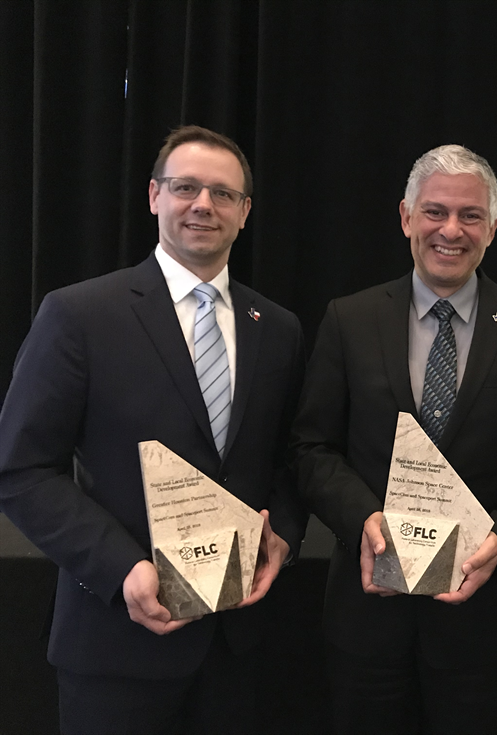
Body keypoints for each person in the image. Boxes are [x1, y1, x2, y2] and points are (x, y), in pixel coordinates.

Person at [0, 125, 307, 735]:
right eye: (185, 187)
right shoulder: (80, 314)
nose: (202, 204)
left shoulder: (278, 327)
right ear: (153, 196)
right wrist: (122, 568)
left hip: (234, 646)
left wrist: (284, 536)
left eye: (223, 194)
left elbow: (289, 462)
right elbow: (21, 468)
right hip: (116, 641)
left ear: (244, 213)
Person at [290, 144, 497, 735]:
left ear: (493, 228)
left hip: (482, 622)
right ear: (405, 218)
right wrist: (361, 518)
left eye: (470, 215)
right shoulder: (350, 319)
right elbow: (311, 447)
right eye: (435, 212)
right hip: (368, 616)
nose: (451, 230)